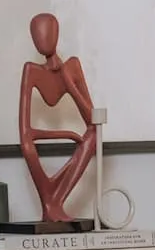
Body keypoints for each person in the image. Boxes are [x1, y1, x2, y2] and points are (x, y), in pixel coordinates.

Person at [17, 12, 98, 226]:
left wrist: (70, 84)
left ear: (56, 34)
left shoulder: (73, 66)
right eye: (36, 36)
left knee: (94, 134)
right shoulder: (31, 70)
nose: (41, 41)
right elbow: (25, 131)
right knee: (27, 147)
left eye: (46, 33)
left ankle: (55, 202)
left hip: (69, 76)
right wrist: (68, 134)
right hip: (32, 143)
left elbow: (92, 120)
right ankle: (50, 204)